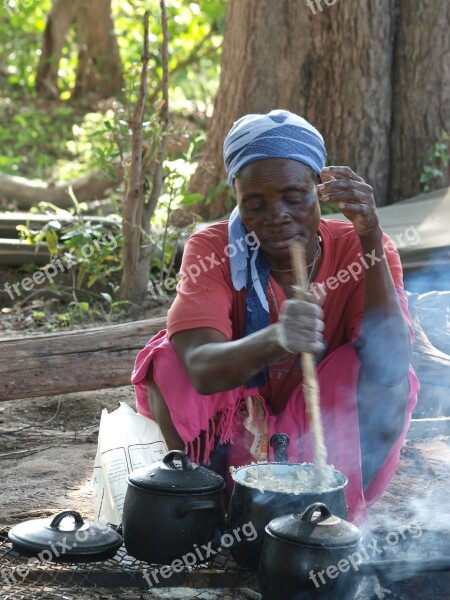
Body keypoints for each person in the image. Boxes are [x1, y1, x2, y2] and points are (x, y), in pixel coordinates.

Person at [132, 109, 419, 525]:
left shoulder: (363, 245)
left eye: (293, 197)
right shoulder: (212, 249)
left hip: (324, 436)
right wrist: (277, 339)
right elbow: (199, 368)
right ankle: (210, 502)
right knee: (169, 358)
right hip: (238, 434)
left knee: (380, 371)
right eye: (255, 204)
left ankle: (337, 509)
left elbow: (391, 367)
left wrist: (371, 233)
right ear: (237, 201)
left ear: (318, 191)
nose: (277, 216)